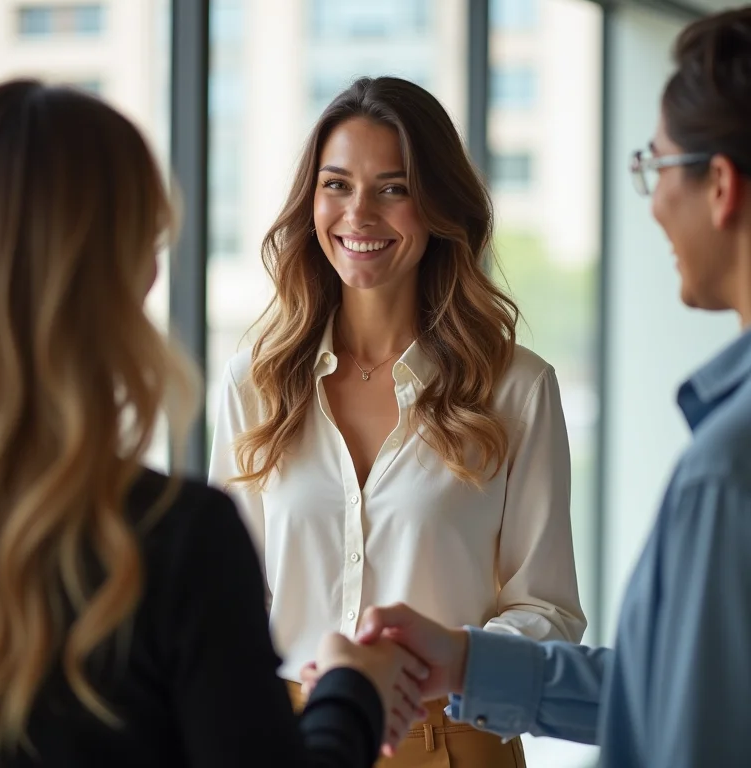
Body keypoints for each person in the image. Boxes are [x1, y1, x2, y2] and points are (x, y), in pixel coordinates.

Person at [0, 78, 429, 768]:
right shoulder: (178, 543)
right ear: (120, 274)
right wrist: (351, 693)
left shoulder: (521, 388)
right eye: (148, 239)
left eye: (392, 187)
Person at [346, 8, 751, 768]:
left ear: (720, 185)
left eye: (654, 167)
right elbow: (665, 688)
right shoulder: (254, 381)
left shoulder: (725, 471)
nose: (653, 201)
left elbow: (692, 726)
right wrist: (466, 660)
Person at [209, 75, 586, 767]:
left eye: (394, 187)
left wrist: (433, 658)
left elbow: (550, 608)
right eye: (337, 184)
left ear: (439, 205)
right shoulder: (252, 384)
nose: (359, 214)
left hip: (455, 740)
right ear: (311, 199)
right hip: (290, 736)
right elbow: (227, 602)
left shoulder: (518, 387)